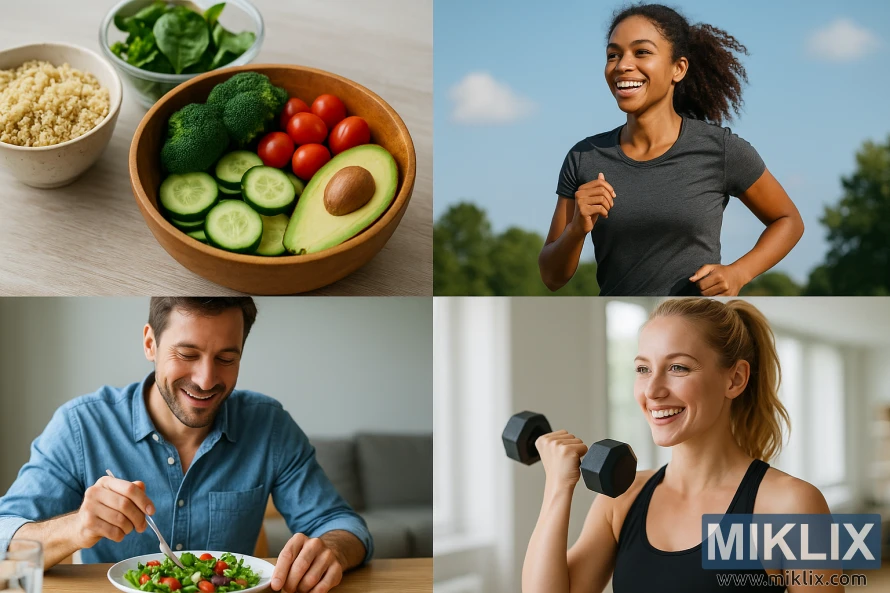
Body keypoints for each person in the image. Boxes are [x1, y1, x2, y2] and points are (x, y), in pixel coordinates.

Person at [0, 297, 372, 593]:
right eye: (187, 355)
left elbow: (341, 525)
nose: (206, 379)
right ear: (150, 343)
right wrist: (76, 527)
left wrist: (332, 550)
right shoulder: (81, 425)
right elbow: (5, 535)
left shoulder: (270, 425)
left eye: (226, 358)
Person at [522, 298, 843, 592]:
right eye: (643, 369)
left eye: (678, 367)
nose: (653, 390)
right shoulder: (621, 500)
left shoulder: (790, 505)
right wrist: (558, 486)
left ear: (735, 379)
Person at [539, 3, 804, 296]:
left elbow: (788, 220)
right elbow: (552, 278)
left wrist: (740, 272)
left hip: (696, 327)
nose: (623, 65)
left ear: (678, 68)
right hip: (622, 331)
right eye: (613, 55)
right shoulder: (584, 157)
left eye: (642, 52)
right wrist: (577, 229)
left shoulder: (721, 150)